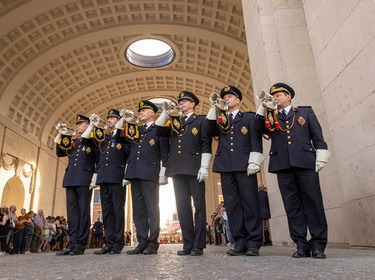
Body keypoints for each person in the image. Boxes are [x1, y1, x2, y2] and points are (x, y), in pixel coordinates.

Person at [255, 82, 330, 259]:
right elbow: (258, 128)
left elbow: (317, 137)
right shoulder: (270, 115)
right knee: (292, 206)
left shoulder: (305, 112)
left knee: (314, 203)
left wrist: (321, 156)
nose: (276, 97)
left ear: (289, 96)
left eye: (279, 95)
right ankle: (301, 244)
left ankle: (318, 244)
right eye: (274, 95)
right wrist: (264, 106)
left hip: (305, 162)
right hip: (283, 164)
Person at [205, 85, 264, 256]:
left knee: (250, 203)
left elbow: (255, 140)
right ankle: (239, 242)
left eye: (230, 96)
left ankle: (253, 242)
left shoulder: (249, 118)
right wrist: (214, 108)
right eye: (225, 97)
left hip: (245, 165)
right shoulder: (219, 119)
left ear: (238, 100)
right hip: (225, 166)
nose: (227, 99)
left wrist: (254, 162)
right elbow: (208, 131)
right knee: (232, 206)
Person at [156, 91, 212, 256]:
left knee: (199, 206)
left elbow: (205, 144)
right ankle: (188, 243)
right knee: (182, 207)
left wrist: (204, 166)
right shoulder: (174, 121)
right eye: (180, 101)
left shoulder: (201, 120)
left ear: (192, 104)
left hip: (195, 167)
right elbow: (159, 130)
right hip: (177, 168)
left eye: (184, 101)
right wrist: (166, 112)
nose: (181, 104)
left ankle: (198, 244)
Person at [116, 100, 169, 255]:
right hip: (134, 172)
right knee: (138, 210)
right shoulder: (134, 130)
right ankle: (142, 242)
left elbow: (164, 152)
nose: (140, 113)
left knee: (152, 208)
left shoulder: (159, 129)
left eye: (143, 110)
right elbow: (120, 136)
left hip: (150, 173)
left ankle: (152, 242)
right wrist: (125, 120)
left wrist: (163, 172)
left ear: (152, 113)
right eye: (140, 111)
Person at [82, 109, 129, 255]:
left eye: (112, 118)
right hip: (103, 177)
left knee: (117, 211)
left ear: (119, 120)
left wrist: (126, 175)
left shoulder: (124, 136)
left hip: (116, 177)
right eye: (108, 118)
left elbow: (128, 156)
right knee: (107, 212)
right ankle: (108, 243)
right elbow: (85, 140)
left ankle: (118, 243)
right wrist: (93, 126)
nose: (108, 120)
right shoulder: (104, 138)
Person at [55, 114, 98, 256]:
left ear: (87, 125)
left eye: (81, 124)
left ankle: (80, 244)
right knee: (72, 214)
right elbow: (60, 152)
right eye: (77, 124)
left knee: (83, 212)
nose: (78, 126)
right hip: (70, 179)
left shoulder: (93, 140)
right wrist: (60, 134)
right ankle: (71, 244)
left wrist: (94, 177)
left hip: (84, 179)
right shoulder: (73, 142)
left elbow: (98, 159)